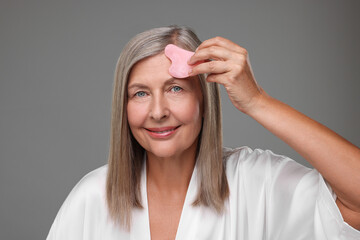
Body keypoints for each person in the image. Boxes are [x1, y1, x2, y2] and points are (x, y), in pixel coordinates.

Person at [47, 25, 360, 239]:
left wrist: (257, 101)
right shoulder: (90, 198)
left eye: (176, 88)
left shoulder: (256, 182)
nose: (158, 112)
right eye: (140, 93)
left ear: (204, 100)